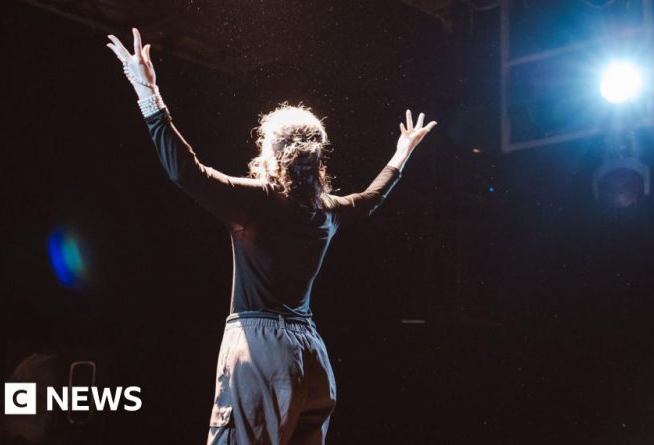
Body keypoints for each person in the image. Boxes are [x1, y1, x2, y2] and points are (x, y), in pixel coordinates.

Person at [106, 28, 437, 445]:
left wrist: (147, 92)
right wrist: (401, 154)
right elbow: (370, 199)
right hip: (311, 356)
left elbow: (185, 171)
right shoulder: (326, 210)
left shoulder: (257, 202)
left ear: (271, 151)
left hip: (261, 351)